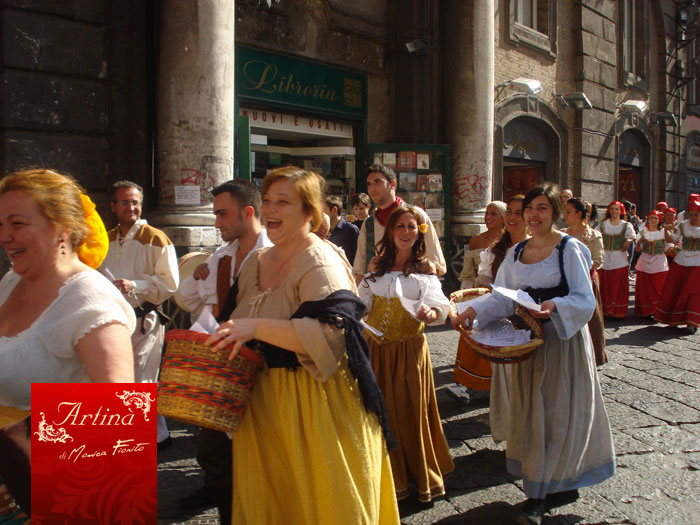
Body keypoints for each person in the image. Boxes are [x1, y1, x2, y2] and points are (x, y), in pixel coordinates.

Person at [206, 166, 399, 523]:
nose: (272, 210)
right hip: (264, 400)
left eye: (284, 202)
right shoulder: (258, 261)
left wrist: (254, 327)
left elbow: (331, 335)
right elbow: (234, 318)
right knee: (275, 498)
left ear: (310, 211)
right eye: (267, 201)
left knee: (319, 500)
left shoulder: (319, 260)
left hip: (314, 403)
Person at [454, 185, 615, 525]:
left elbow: (585, 299)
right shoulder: (516, 253)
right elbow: (503, 298)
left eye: (543, 208)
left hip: (562, 342)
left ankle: (547, 490)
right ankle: (543, 484)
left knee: (558, 411)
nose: (534, 215)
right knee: (532, 412)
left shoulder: (569, 249)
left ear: (556, 212)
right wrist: (475, 311)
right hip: (528, 342)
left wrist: (556, 304)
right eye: (530, 208)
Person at [0, 168, 136, 522]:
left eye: (16, 223)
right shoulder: (11, 281)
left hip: (46, 503)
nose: (4, 236)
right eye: (1, 225)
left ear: (61, 227)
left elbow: (116, 421)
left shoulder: (90, 299)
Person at [176, 179, 272, 522]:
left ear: (248, 212)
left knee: (262, 458)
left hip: (266, 371)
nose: (216, 222)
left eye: (222, 214)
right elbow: (185, 298)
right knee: (214, 453)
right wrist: (198, 275)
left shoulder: (277, 252)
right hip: (222, 371)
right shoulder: (220, 256)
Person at [358, 206, 453, 503]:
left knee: (409, 411)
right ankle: (383, 474)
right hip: (373, 349)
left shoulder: (424, 271)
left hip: (408, 351)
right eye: (400, 226)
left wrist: (431, 311)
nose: (406, 232)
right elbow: (361, 303)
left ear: (419, 232)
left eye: (412, 227)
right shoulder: (377, 268)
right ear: (390, 231)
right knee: (376, 411)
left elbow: (441, 308)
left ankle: (413, 473)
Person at [100, 181, 178, 449]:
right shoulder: (105, 240)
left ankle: (142, 442)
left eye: (135, 202)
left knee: (142, 380)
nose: (130, 207)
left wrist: (135, 285)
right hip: (113, 321)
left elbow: (170, 283)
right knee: (117, 380)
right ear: (113, 206)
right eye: (124, 202)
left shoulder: (156, 238)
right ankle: (155, 437)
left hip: (144, 318)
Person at [448, 197, 525, 404]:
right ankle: (465, 385)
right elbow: (483, 277)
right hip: (495, 304)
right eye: (510, 211)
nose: (512, 217)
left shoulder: (534, 248)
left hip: (525, 314)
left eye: (518, 212)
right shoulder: (496, 247)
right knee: (474, 339)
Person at [353, 164, 445, 284]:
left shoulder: (417, 216)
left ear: (393, 184)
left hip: (413, 294)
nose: (372, 189)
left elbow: (435, 264)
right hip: (378, 296)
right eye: (369, 184)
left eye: (377, 182)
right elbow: (360, 270)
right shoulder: (369, 224)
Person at [564, 197, 607, 366]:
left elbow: (598, 260)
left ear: (579, 213)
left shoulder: (593, 235)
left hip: (586, 279)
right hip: (565, 280)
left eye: (568, 212)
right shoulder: (563, 233)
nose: (564, 215)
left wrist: (579, 263)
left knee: (591, 317)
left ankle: (594, 354)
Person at [655, 199, 700, 332]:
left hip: (698, 262)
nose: (693, 217)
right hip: (682, 261)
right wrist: (665, 230)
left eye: (696, 214)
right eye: (691, 214)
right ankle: (674, 317)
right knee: (676, 288)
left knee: (693, 292)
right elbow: (672, 240)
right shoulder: (683, 225)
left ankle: (692, 322)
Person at [596, 201, 635, 318]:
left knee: (617, 285)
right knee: (605, 284)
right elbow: (595, 234)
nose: (614, 211)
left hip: (619, 257)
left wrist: (628, 241)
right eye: (612, 209)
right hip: (605, 256)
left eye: (617, 209)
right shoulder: (603, 224)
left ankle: (617, 310)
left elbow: (632, 236)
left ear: (621, 211)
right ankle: (605, 309)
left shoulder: (626, 225)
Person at [458, 201, 506, 289]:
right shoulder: (476, 240)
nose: (488, 217)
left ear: (503, 218)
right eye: (486, 213)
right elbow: (468, 274)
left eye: (493, 214)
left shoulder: (509, 240)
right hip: (481, 291)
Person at [633, 210, 668, 317]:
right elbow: (637, 249)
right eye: (652, 218)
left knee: (658, 286)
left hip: (659, 260)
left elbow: (669, 246)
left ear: (659, 220)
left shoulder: (663, 232)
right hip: (645, 260)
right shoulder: (643, 232)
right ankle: (646, 310)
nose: (653, 220)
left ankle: (657, 309)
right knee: (645, 286)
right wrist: (640, 242)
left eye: (656, 218)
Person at [324, 195, 360, 264]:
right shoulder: (326, 231)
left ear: (334, 209)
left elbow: (358, 258)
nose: (322, 214)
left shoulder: (351, 230)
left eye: (324, 210)